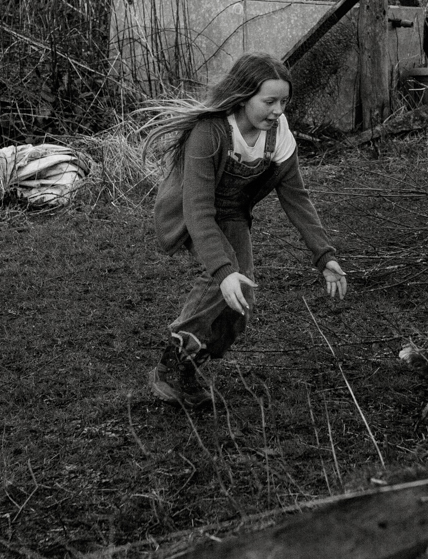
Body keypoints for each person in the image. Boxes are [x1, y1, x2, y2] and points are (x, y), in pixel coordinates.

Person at [140, 53, 348, 408]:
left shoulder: (278, 135)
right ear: (243, 97)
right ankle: (171, 364)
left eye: (284, 101)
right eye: (269, 101)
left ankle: (191, 365)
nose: (278, 110)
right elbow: (199, 211)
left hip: (231, 213)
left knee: (240, 304)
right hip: (190, 211)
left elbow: (296, 197)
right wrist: (223, 271)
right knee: (224, 279)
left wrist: (323, 254)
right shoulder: (210, 132)